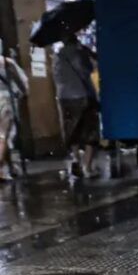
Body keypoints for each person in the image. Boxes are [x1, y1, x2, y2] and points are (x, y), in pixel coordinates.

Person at [53, 33, 101, 178]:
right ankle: (87, 167)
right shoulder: (78, 53)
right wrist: (88, 54)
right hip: (82, 95)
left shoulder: (58, 56)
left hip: (64, 97)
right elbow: (87, 71)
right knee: (91, 131)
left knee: (72, 130)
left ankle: (75, 159)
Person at [0, 43, 28, 181]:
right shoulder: (6, 62)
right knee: (4, 136)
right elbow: (21, 81)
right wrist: (23, 92)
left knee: (3, 137)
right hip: (5, 100)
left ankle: (9, 168)